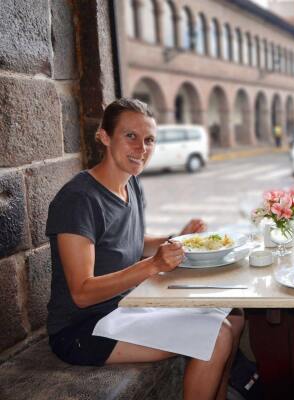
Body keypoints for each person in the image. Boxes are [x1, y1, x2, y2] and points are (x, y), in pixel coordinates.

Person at [46, 98, 244, 400]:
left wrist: (177, 239)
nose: (142, 148)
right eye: (131, 136)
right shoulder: (79, 199)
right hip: (84, 328)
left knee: (235, 316)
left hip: (127, 305)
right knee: (217, 337)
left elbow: (131, 242)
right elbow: (82, 292)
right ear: (104, 136)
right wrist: (152, 265)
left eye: (149, 140)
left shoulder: (131, 184)